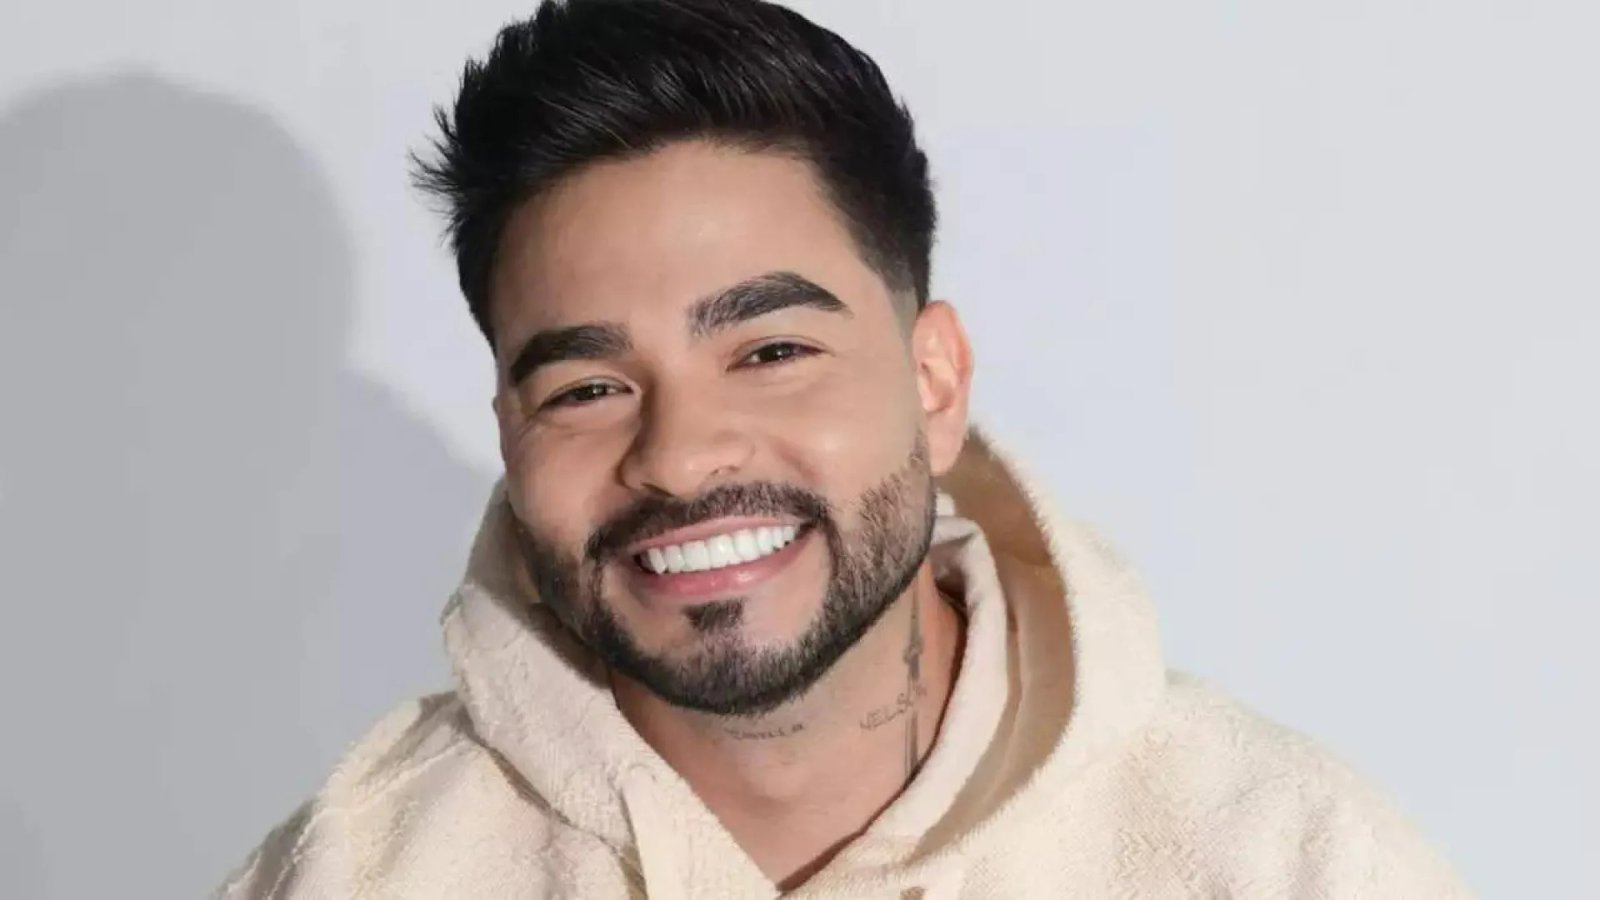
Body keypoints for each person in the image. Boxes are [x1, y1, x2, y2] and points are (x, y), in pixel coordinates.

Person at [218, 1, 1468, 896]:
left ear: (934, 381)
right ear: (510, 428)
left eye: (769, 350)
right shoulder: (353, 872)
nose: (680, 457)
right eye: (588, 387)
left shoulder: (1283, 856)